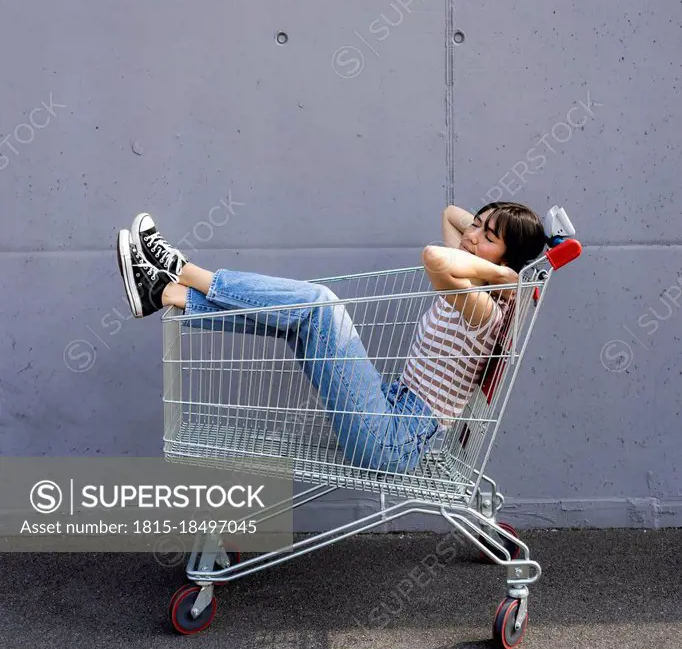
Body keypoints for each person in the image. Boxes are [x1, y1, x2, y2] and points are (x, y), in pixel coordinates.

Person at [115, 202, 547, 474]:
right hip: (390, 407)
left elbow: (435, 256)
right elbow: (451, 213)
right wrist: (490, 250)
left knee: (320, 304)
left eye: (488, 238)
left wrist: (505, 276)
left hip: (393, 439)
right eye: (477, 226)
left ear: (508, 262)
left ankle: (180, 268)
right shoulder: (470, 280)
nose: (471, 235)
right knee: (298, 319)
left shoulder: (485, 310)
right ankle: (167, 292)